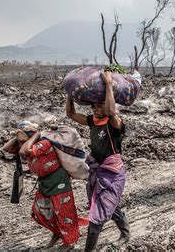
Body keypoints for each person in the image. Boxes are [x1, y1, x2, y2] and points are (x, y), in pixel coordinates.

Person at [66, 71, 130, 251]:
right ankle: (125, 233)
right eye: (93, 105)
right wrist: (69, 93)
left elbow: (111, 112)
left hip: (113, 174)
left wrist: (109, 84)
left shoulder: (115, 123)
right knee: (111, 205)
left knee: (97, 217)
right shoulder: (93, 121)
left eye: (99, 105)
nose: (95, 108)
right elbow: (70, 113)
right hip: (98, 171)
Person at [16, 121, 80, 249]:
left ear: (30, 135)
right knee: (40, 211)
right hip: (45, 182)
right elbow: (6, 148)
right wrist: (18, 136)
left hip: (58, 181)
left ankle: (69, 242)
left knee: (64, 212)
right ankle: (57, 233)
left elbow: (24, 151)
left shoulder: (43, 143)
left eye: (21, 136)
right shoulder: (26, 143)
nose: (19, 141)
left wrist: (36, 134)